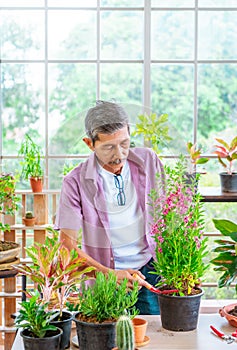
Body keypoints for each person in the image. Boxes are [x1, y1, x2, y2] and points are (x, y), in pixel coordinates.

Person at [55, 100, 164, 314]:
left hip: (151, 272)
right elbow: (65, 246)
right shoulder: (74, 182)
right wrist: (108, 274)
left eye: (124, 143)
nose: (119, 154)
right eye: (108, 147)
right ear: (89, 143)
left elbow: (170, 216)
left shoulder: (149, 161)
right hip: (103, 280)